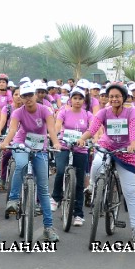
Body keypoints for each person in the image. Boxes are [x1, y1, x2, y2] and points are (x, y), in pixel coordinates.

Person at [80, 83, 135, 242]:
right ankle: (93, 187)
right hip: (106, 146)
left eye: (117, 96)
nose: (114, 99)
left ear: (123, 98)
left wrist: (133, 144)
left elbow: (134, 131)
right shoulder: (103, 112)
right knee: (96, 164)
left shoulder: (131, 111)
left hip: (125, 152)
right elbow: (93, 129)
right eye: (111, 96)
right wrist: (82, 138)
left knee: (130, 193)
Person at [1, 82, 61, 243]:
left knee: (43, 188)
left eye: (30, 95)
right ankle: (13, 200)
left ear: (35, 95)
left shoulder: (45, 110)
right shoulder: (17, 112)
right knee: (20, 165)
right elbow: (13, 129)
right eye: (24, 96)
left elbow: (51, 129)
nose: (28, 99)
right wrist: (6, 142)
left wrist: (55, 143)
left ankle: (48, 228)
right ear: (20, 98)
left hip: (40, 147)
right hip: (21, 143)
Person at [53, 86, 92, 226]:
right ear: (70, 99)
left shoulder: (87, 114)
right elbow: (57, 126)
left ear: (84, 100)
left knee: (79, 183)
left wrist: (91, 139)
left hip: (81, 149)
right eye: (75, 98)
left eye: (80, 98)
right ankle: (56, 197)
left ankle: (78, 214)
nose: (77, 101)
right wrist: (55, 137)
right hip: (64, 146)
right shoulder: (64, 112)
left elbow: (92, 129)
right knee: (61, 170)